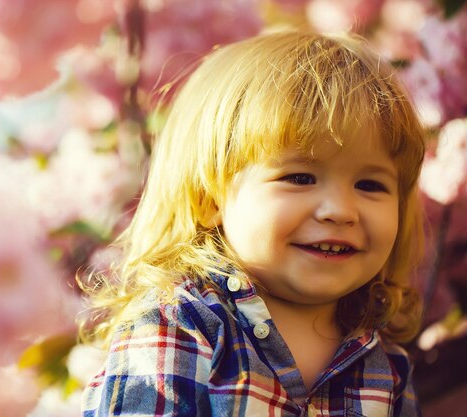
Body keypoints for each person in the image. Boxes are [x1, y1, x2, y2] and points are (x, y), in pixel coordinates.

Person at [79, 29, 426, 416]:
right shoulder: (182, 324)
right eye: (300, 178)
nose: (340, 210)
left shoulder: (386, 367)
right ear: (208, 198)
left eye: (369, 184)